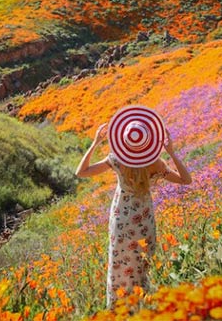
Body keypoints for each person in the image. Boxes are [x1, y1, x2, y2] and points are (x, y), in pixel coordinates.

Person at [75, 117, 192, 308]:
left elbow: (82, 172)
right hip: (144, 221)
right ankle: (143, 306)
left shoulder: (117, 160)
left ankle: (119, 309)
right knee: (141, 265)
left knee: (120, 264)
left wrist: (95, 142)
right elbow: (186, 180)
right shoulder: (156, 164)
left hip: (121, 219)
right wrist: (170, 151)